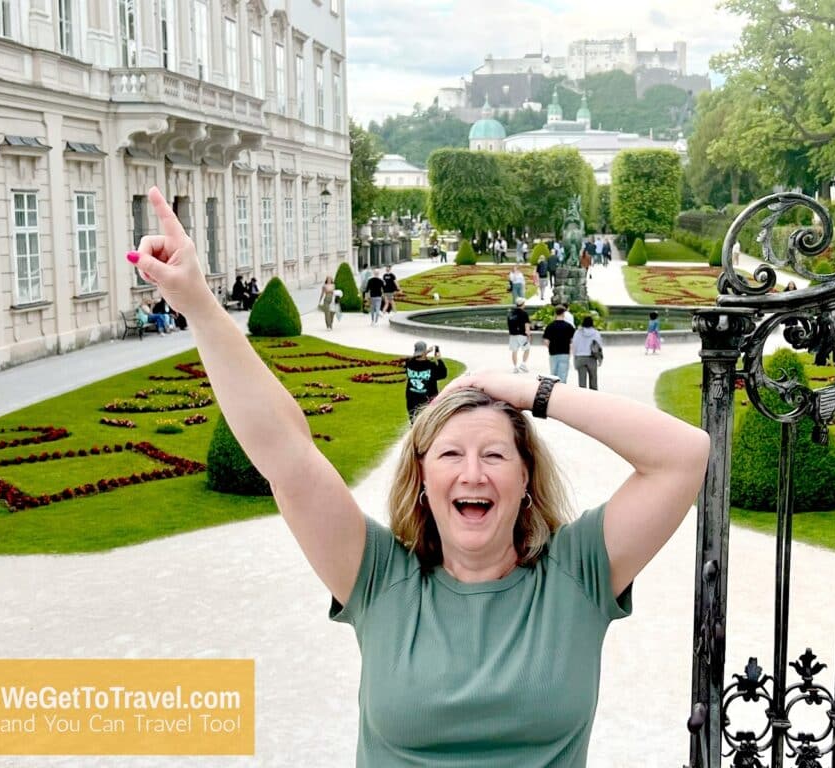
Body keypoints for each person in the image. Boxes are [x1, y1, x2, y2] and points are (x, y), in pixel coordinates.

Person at [126, 187, 710, 765]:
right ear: (422, 480)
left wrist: (530, 391)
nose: (472, 474)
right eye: (450, 455)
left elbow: (684, 456)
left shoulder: (576, 573)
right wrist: (198, 302)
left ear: (527, 477)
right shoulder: (378, 577)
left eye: (496, 455)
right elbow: (283, 450)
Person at [403, 341, 448, 422]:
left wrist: (425, 352)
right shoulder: (431, 366)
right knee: (427, 423)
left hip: (411, 398)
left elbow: (414, 359)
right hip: (427, 399)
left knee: (414, 422)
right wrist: (439, 359)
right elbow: (443, 374)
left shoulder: (409, 363)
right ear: (424, 352)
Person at [542, 304, 575, 383]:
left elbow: (546, 341)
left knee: (553, 375)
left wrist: (550, 347)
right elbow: (572, 341)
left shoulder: (550, 326)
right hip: (565, 353)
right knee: (563, 376)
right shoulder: (569, 326)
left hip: (553, 353)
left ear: (555, 313)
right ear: (564, 313)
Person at [572, 316, 603, 389]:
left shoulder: (578, 332)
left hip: (580, 358)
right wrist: (600, 359)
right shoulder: (596, 333)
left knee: (582, 382)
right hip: (592, 358)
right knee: (593, 380)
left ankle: (583, 397)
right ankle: (593, 397)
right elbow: (599, 346)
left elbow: (574, 345)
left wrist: (575, 358)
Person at [507, 296, 532, 373]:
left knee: (514, 351)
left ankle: (515, 367)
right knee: (527, 349)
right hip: (522, 334)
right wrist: (529, 334)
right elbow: (526, 325)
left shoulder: (510, 313)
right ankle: (523, 364)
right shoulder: (524, 313)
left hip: (512, 334)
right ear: (522, 304)